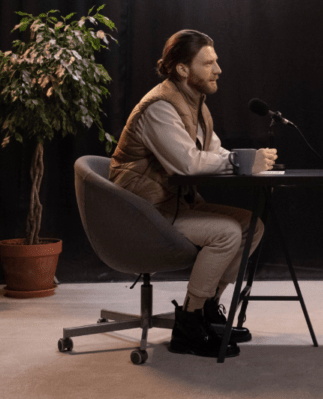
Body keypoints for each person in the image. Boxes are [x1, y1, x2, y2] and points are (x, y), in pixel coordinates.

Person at [109, 29, 278, 359]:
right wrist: (245, 162)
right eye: (209, 63)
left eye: (217, 62)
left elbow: (214, 152)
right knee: (227, 233)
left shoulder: (196, 106)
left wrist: (251, 162)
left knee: (251, 226)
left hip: (169, 206)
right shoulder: (159, 107)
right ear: (182, 69)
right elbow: (187, 163)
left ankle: (206, 309)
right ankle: (188, 325)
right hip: (142, 213)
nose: (218, 70)